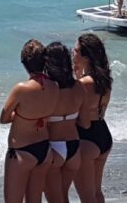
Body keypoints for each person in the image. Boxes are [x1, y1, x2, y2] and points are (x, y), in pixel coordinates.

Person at [1, 40, 60, 203]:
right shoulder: (54, 86)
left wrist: (21, 115)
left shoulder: (21, 88)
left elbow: (4, 118)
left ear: (24, 63)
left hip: (21, 150)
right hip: (44, 149)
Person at [44, 42, 86, 203]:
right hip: (74, 146)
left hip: (54, 146)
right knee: (63, 196)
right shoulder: (78, 87)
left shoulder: (48, 90)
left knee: (55, 199)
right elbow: (83, 120)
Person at [73, 33, 113, 203]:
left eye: (75, 51)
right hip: (103, 133)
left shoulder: (83, 84)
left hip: (86, 138)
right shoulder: (104, 80)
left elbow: (83, 120)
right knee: (97, 193)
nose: (72, 54)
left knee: (87, 197)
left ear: (86, 57)